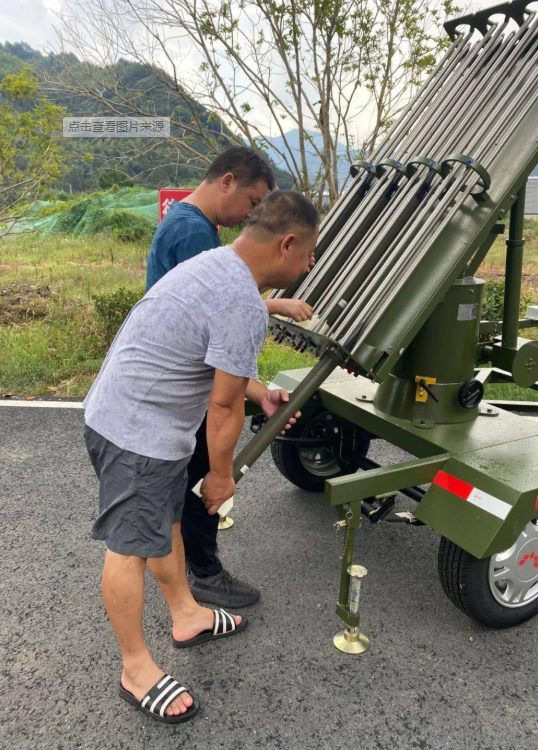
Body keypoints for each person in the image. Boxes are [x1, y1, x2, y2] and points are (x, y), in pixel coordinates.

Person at [83, 190, 320, 723]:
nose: (309, 265)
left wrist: (260, 392)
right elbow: (222, 404)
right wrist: (220, 477)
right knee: (129, 549)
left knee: (164, 526)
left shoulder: (218, 264)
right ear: (286, 244)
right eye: (309, 254)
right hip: (135, 433)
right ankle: (135, 668)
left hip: (140, 419)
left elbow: (219, 363)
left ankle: (186, 614)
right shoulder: (240, 299)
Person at [146, 147, 314, 608]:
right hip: (187, 385)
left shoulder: (186, 222)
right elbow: (225, 316)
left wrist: (255, 390)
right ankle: (203, 572)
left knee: (179, 483)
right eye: (251, 201)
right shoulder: (194, 233)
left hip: (172, 378)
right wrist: (223, 473)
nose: (250, 215)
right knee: (200, 478)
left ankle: (183, 567)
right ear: (227, 181)